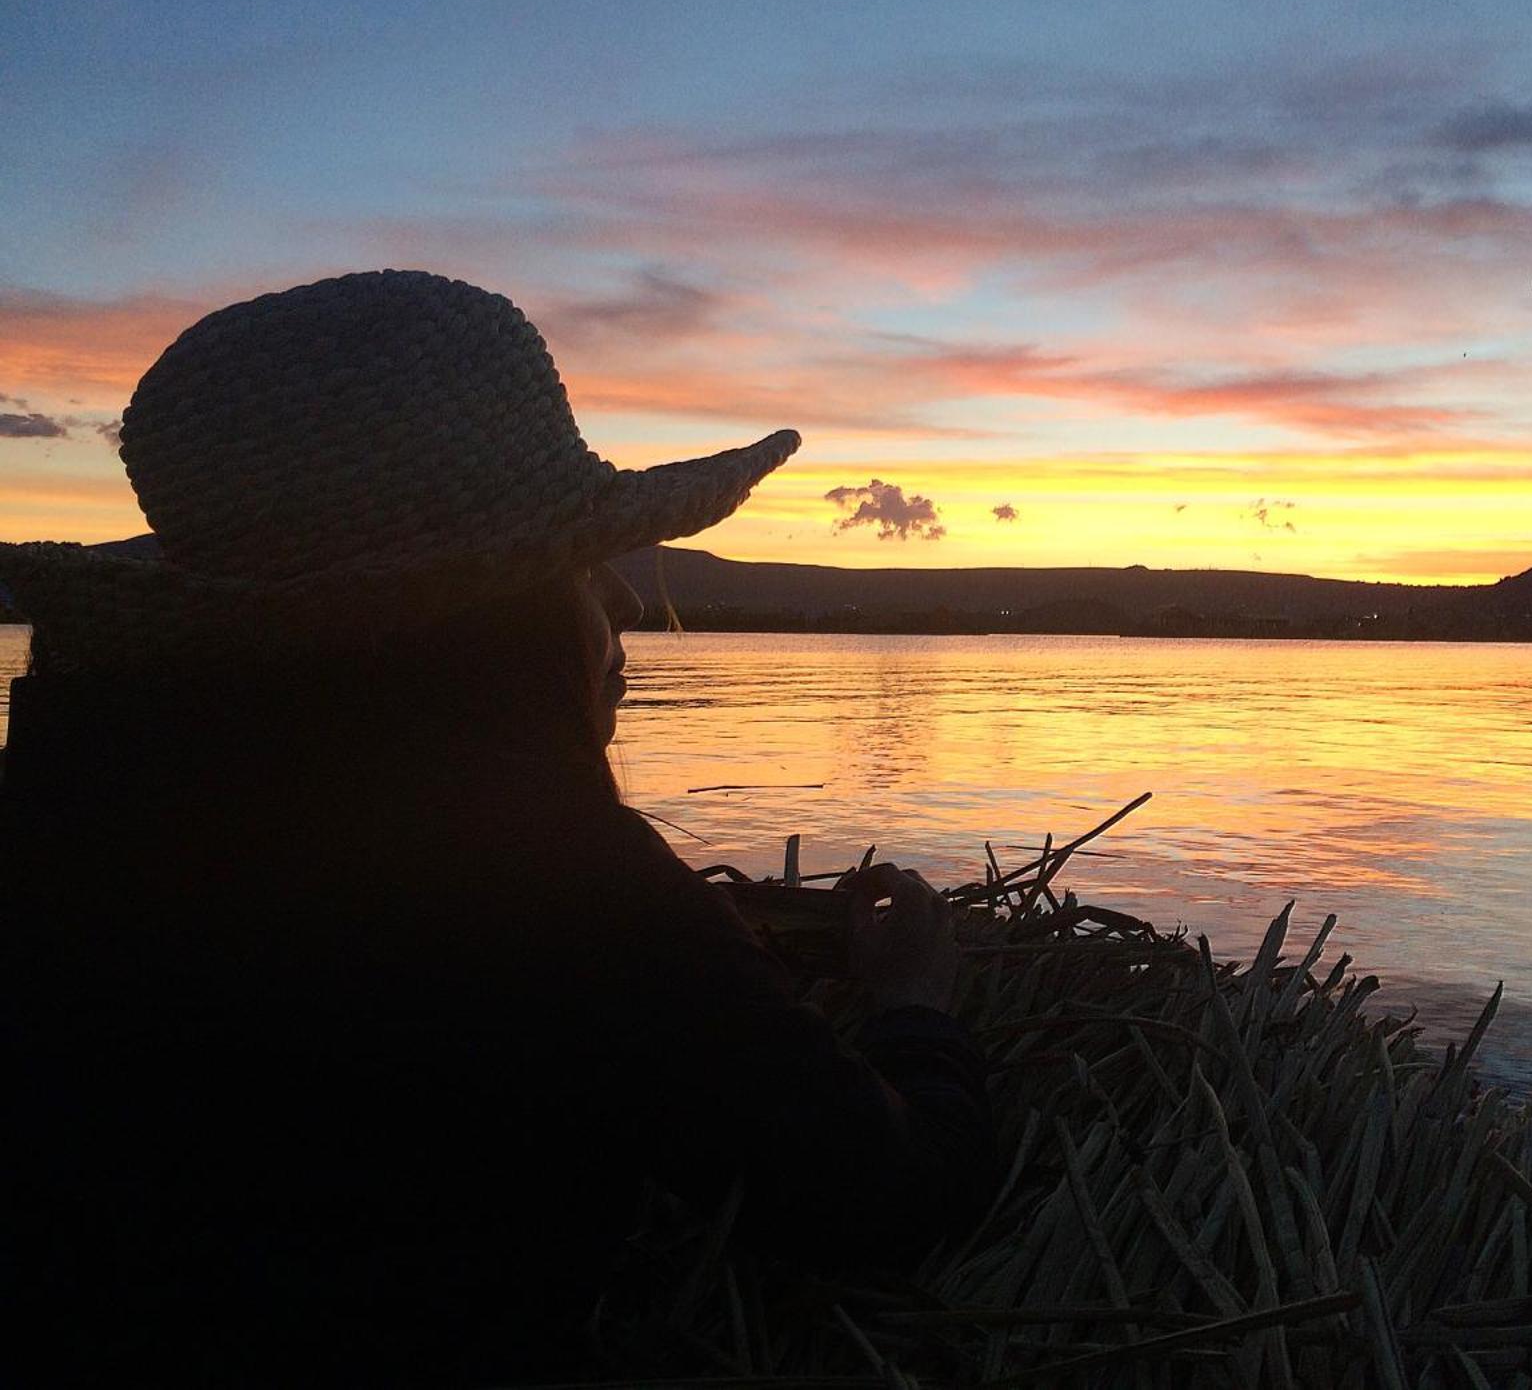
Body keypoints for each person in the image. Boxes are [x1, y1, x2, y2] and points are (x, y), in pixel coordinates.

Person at [0, 270, 997, 1384]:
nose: (618, 605)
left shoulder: (57, 817)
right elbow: (882, 1198)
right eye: (576, 559)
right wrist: (917, 1009)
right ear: (485, 608)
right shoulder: (562, 891)